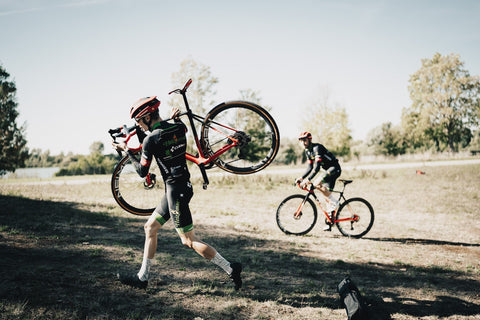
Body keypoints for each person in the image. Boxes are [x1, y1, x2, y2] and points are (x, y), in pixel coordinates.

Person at [112, 96, 242, 290]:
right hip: (180, 187)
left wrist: (127, 151)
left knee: (188, 240)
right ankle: (142, 278)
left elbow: (142, 172)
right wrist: (177, 119)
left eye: (139, 121)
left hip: (176, 191)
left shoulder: (151, 139)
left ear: (147, 117)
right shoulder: (178, 128)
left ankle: (231, 268)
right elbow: (181, 130)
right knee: (150, 228)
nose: (138, 126)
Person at [295, 131, 342, 231]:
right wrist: (302, 178)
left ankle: (335, 203)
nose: (303, 143)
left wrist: (308, 180)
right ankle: (330, 223)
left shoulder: (317, 148)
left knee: (316, 183)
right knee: (327, 197)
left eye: (305, 140)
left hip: (334, 169)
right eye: (301, 141)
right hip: (328, 171)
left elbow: (316, 168)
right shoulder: (307, 151)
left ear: (310, 140)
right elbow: (309, 167)